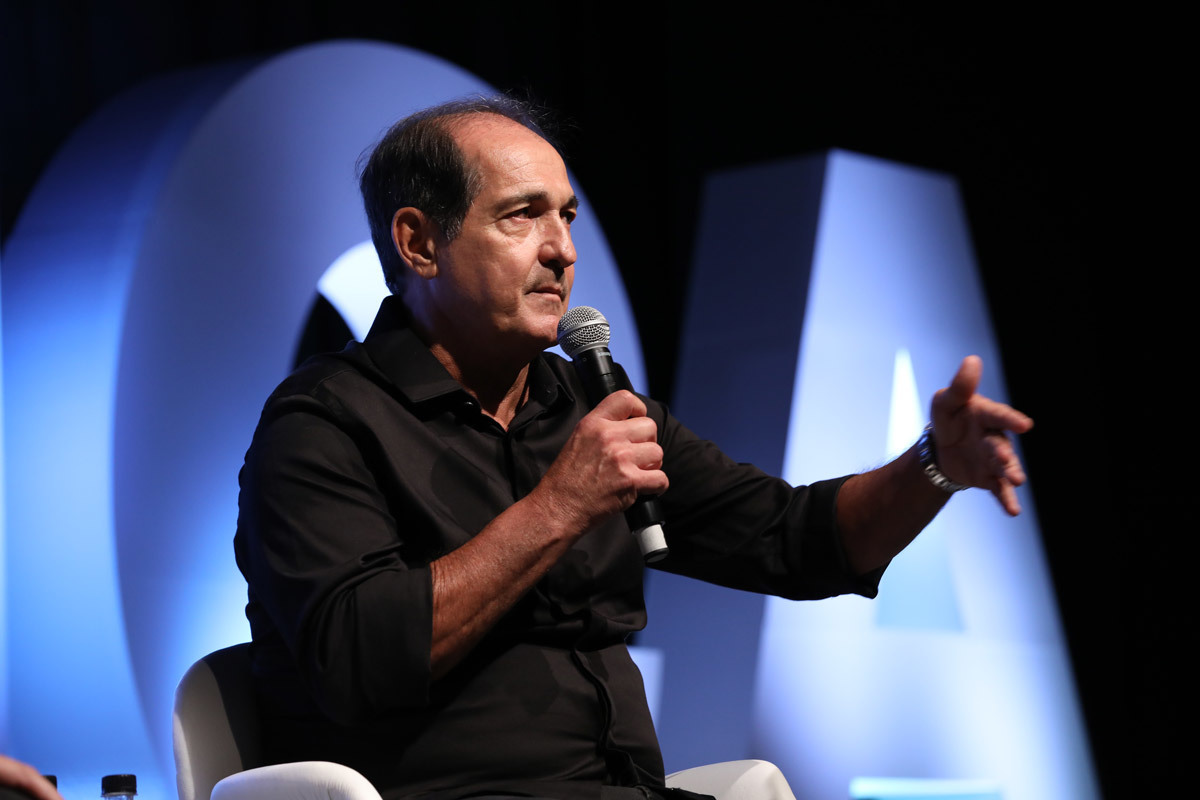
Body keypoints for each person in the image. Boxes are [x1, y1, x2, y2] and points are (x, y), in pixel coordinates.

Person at [234, 96, 1032, 800]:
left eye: (567, 216)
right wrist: (559, 506)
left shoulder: (585, 404)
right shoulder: (324, 424)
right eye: (522, 216)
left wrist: (932, 466)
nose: (561, 250)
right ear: (419, 244)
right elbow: (358, 660)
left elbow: (797, 541)